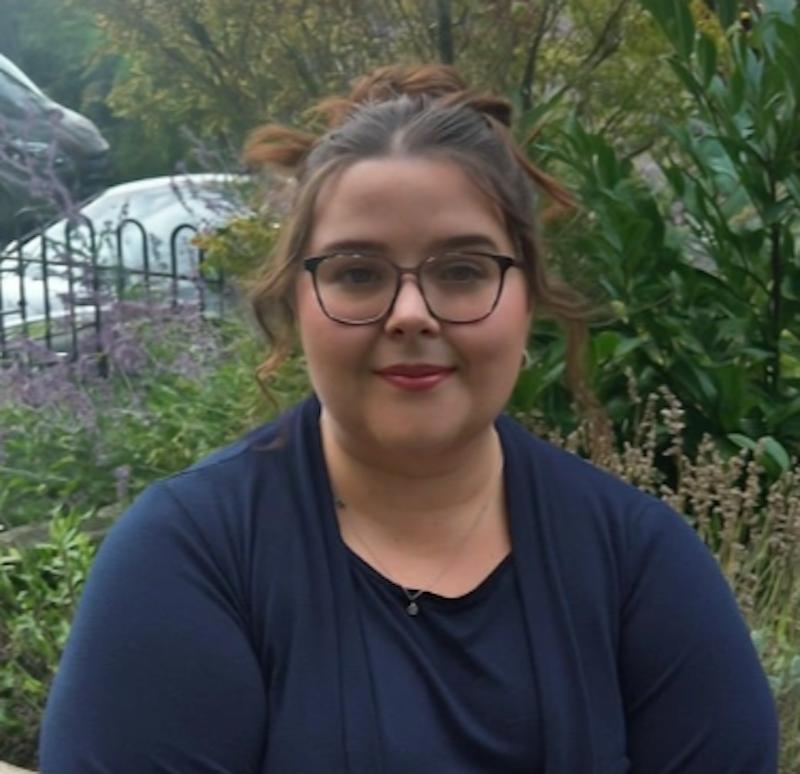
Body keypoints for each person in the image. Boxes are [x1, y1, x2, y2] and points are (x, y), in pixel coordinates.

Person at [39, 65, 778, 774]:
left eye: (462, 271)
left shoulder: (639, 566)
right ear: (296, 304)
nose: (410, 315)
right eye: (358, 273)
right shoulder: (191, 560)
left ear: (528, 299)